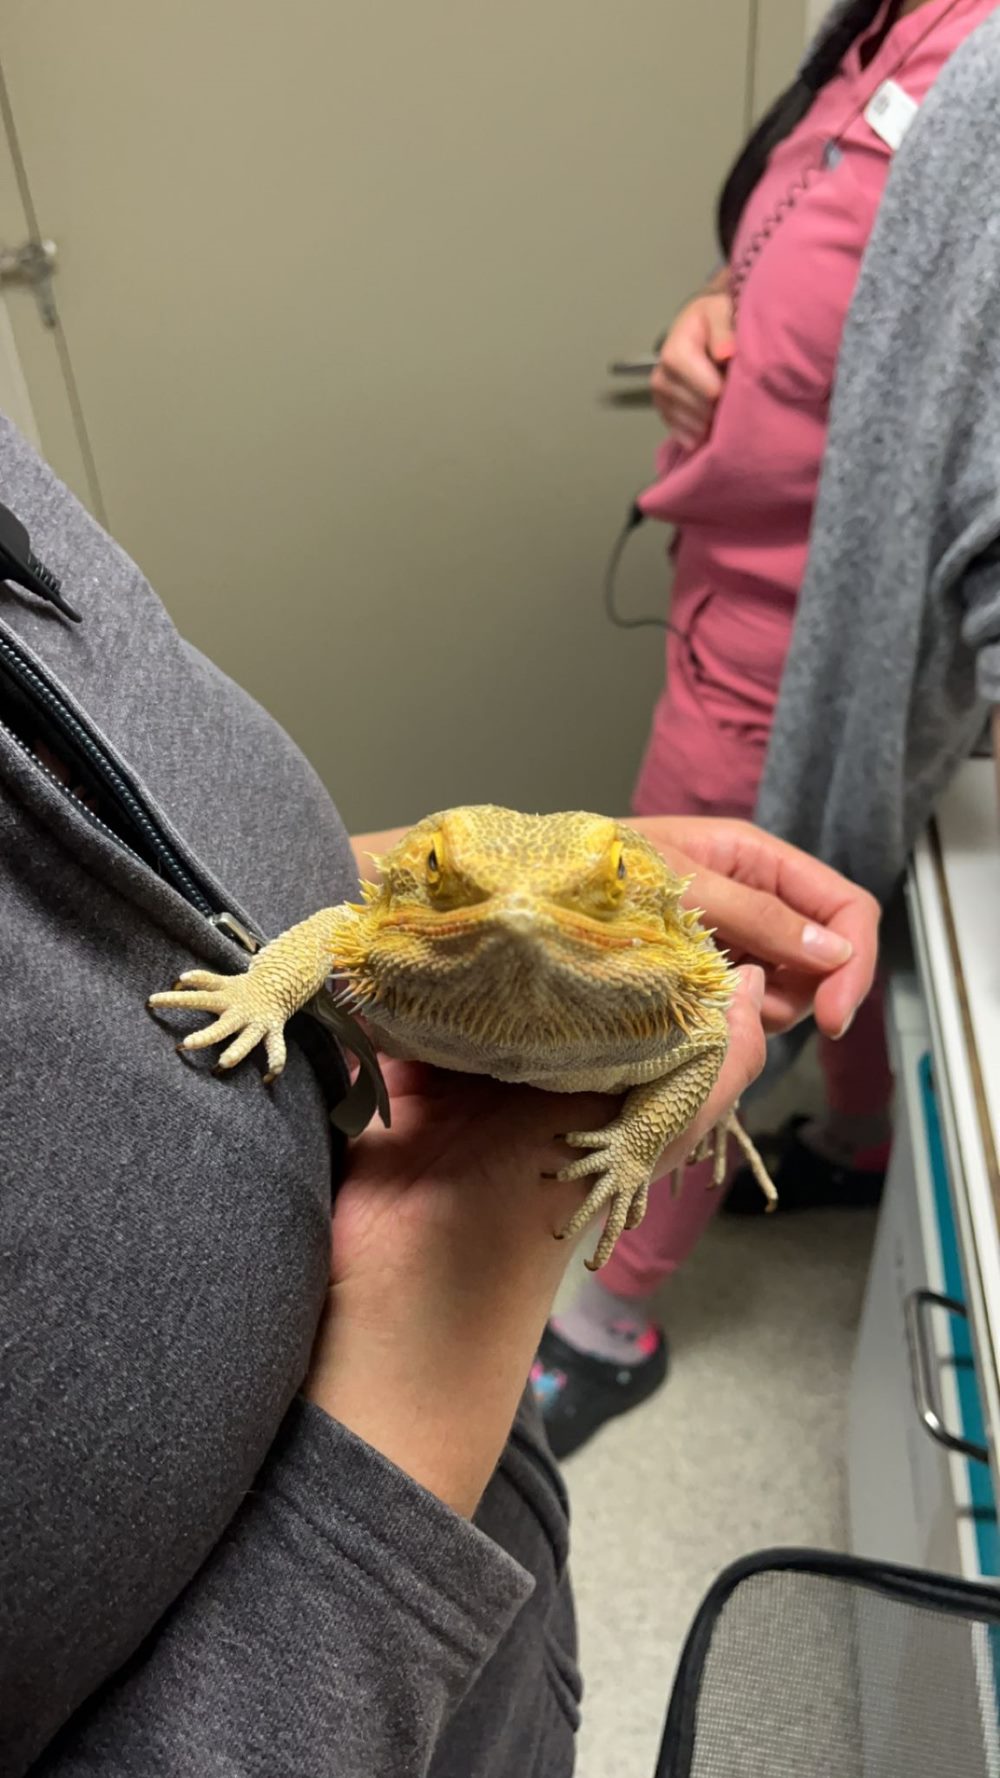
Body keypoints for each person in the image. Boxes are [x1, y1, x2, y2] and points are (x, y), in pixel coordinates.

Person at [0, 407, 878, 1775]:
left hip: (482, 1592)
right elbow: (339, 945)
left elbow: (698, 1029)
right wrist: (264, 988)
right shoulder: (390, 956)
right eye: (466, 896)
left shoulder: (648, 978)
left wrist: (626, 1151)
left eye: (575, 903)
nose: (519, 918)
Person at [537, 0, 1000, 1459]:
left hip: (805, 654)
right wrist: (707, 319)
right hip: (727, 591)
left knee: (690, 981)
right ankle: (860, 1142)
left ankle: (605, 1322)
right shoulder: (884, 20)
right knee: (816, 919)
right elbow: (831, 267)